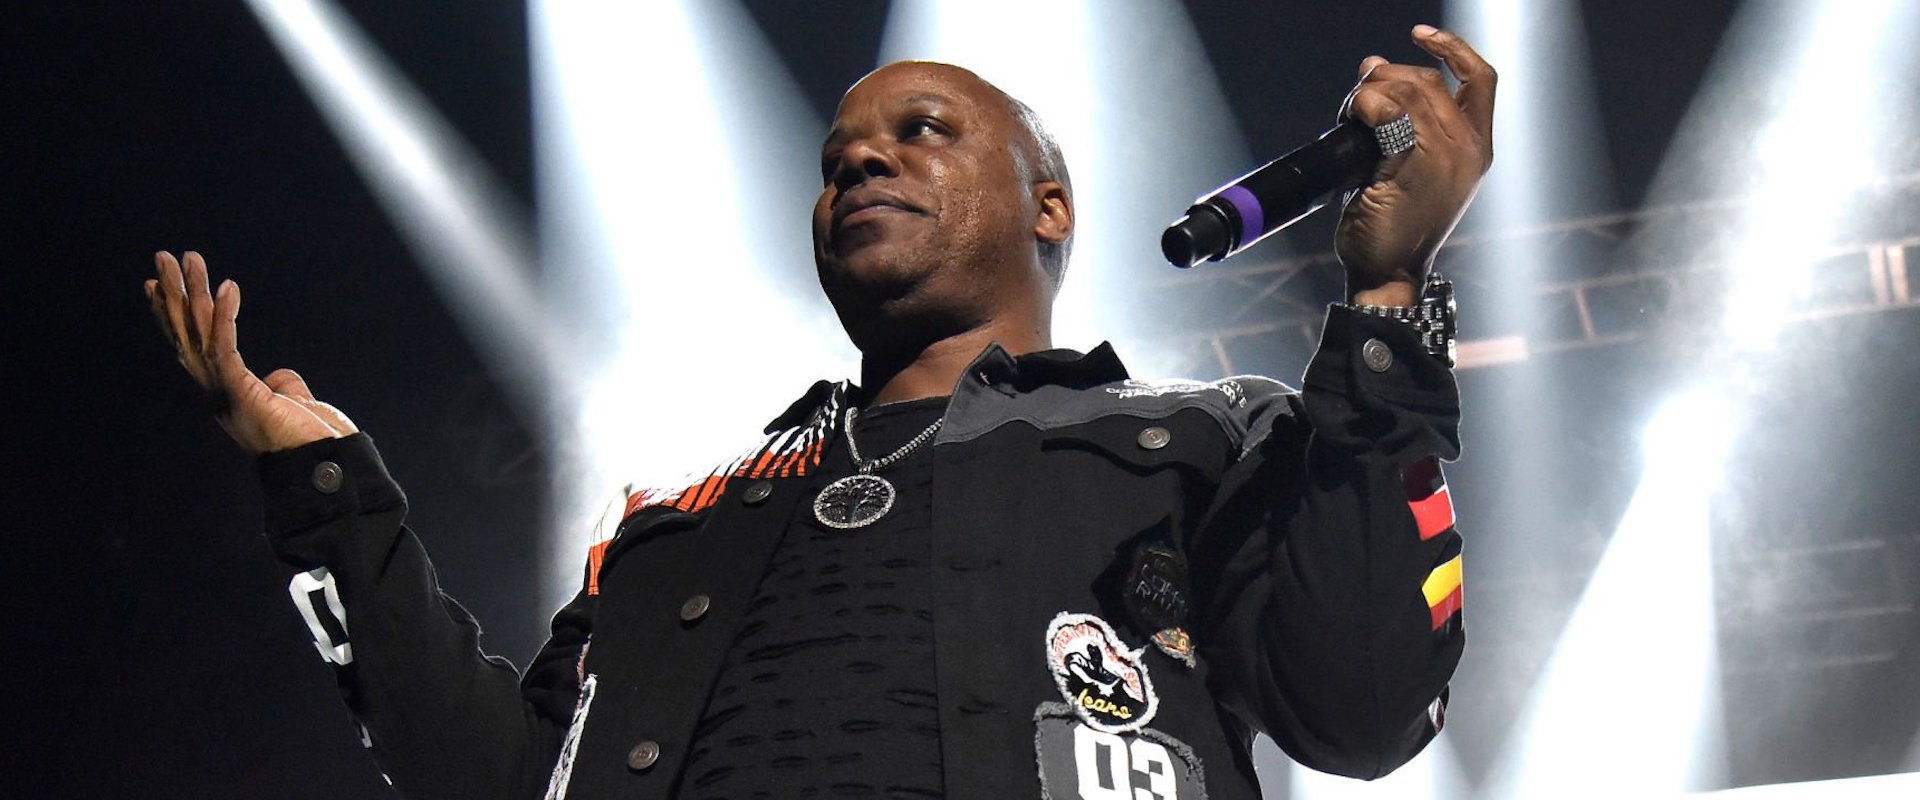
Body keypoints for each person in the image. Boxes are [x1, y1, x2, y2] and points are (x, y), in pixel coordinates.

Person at [146, 24, 1494, 800]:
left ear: (1049, 205)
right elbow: (501, 783)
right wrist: (330, 498)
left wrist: (1385, 296)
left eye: (923, 132)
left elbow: (1365, 708)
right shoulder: (677, 529)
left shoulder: (1206, 441)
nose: (860, 159)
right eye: (841, 154)